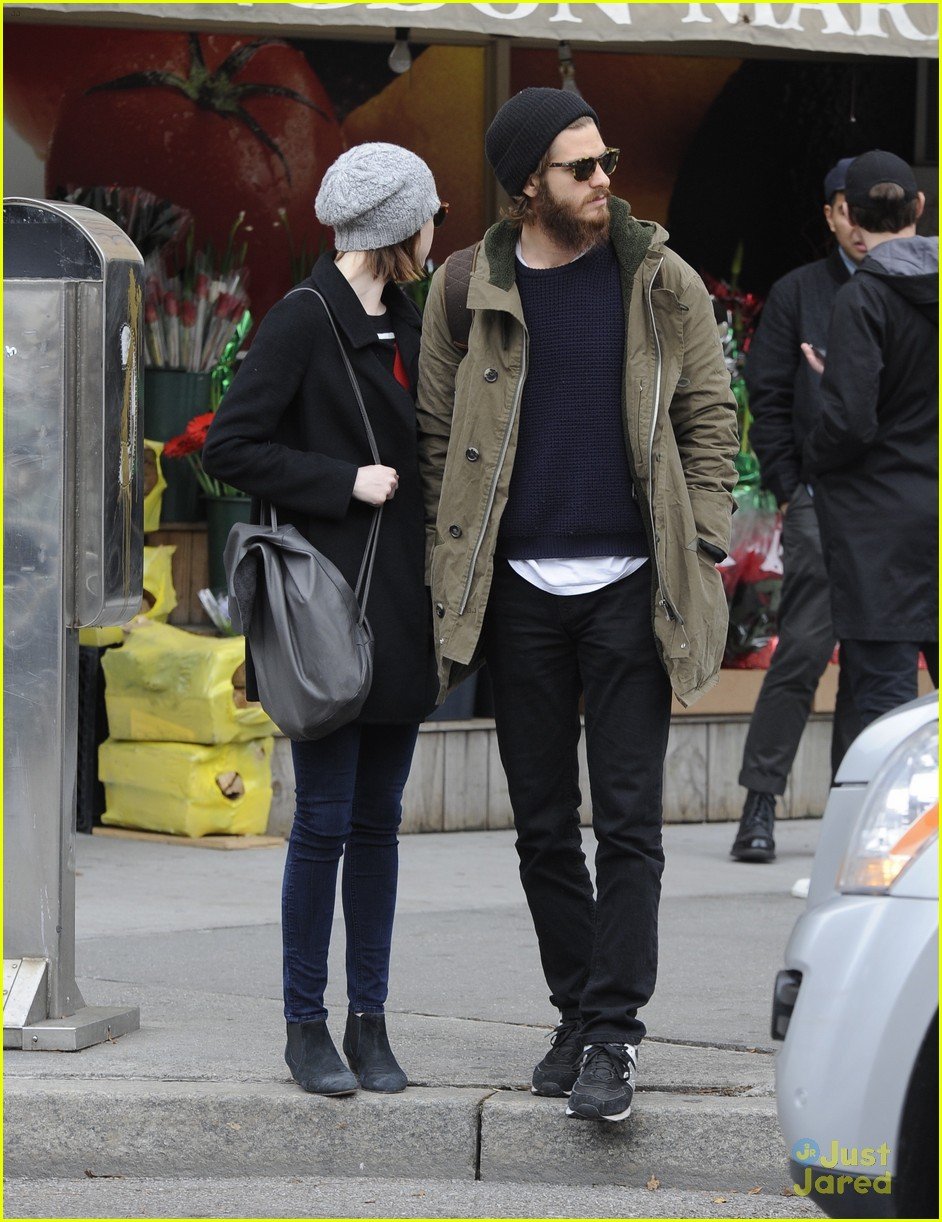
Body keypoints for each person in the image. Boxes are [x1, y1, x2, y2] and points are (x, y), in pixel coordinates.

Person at [417, 88, 738, 1123]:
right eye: (580, 168)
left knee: (631, 826)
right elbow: (436, 436)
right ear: (525, 190)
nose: (606, 180)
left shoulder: (659, 277)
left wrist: (702, 541)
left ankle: (612, 1035)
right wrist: (454, 557)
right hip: (518, 595)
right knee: (544, 825)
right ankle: (574, 1009)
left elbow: (707, 413)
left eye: (605, 160)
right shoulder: (466, 286)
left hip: (630, 587)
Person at [203, 143, 442, 1097]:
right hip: (326, 616)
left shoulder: (414, 323)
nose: (440, 224)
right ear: (394, 228)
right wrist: (343, 481)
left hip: (404, 614)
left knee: (379, 825)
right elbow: (231, 446)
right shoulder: (303, 320)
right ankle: (307, 1028)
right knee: (326, 824)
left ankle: (370, 1026)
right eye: (428, 213)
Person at [729, 158, 865, 864]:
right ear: (831, 214)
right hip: (821, 496)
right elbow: (767, 390)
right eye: (848, 208)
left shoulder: (918, 287)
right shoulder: (800, 292)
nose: (862, 224)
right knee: (806, 647)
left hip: (906, 506)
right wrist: (789, 484)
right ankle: (760, 802)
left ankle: (860, 818)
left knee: (886, 661)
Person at [801, 150, 938, 726]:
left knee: (884, 700)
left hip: (878, 530)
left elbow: (852, 424)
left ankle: (894, 821)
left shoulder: (861, 297)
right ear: (921, 208)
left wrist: (813, 455)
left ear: (850, 218)